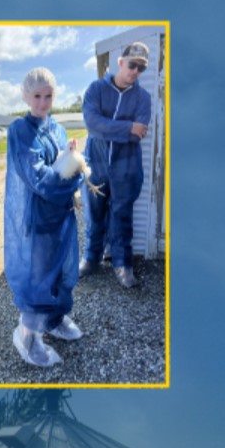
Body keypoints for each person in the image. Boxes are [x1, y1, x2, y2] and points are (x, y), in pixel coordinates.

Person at [3, 68, 85, 368]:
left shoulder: (58, 129)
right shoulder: (19, 131)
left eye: (48, 95)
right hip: (39, 219)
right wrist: (74, 176)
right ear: (26, 96)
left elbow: (59, 164)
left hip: (61, 217)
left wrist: (68, 155)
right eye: (37, 96)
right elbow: (40, 178)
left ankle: (55, 320)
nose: (43, 102)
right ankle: (27, 336)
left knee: (62, 273)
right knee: (38, 278)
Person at [80, 41, 153, 288]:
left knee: (122, 214)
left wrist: (112, 128)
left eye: (141, 68)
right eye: (132, 65)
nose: (135, 72)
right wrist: (127, 127)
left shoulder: (143, 97)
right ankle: (91, 258)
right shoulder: (96, 89)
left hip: (127, 165)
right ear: (120, 63)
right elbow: (92, 124)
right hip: (96, 161)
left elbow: (138, 133)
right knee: (94, 210)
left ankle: (122, 264)